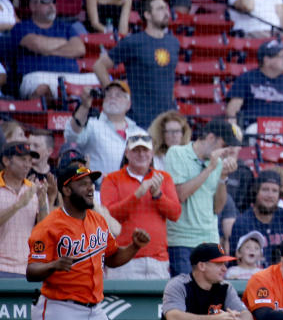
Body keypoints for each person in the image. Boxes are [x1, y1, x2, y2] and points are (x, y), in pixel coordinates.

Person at [27, 162, 150, 320]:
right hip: (59, 307)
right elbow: (31, 272)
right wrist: (53, 265)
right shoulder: (49, 225)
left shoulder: (97, 220)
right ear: (67, 189)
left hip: (95, 310)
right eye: (82, 183)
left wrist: (134, 247)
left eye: (91, 183)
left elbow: (113, 258)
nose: (90, 188)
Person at [165, 119, 241, 276]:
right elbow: (180, 195)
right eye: (224, 145)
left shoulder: (218, 164)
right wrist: (210, 168)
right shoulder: (177, 153)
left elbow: (218, 208)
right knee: (186, 294)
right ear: (211, 138)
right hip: (181, 240)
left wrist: (223, 177)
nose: (227, 151)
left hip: (209, 239)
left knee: (210, 296)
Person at [100, 134, 180, 280]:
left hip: (158, 260)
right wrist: (137, 195)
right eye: (136, 150)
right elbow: (109, 216)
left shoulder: (164, 177)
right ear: (127, 153)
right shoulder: (111, 179)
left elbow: (175, 213)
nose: (141, 154)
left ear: (152, 153)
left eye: (145, 150)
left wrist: (157, 195)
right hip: (123, 260)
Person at [93, 0, 178, 129]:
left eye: (166, 8)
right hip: (140, 120)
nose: (166, 12)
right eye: (160, 9)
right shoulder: (133, 42)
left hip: (167, 119)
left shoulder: (174, 43)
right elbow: (99, 66)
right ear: (147, 15)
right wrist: (113, 93)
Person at [226, 40, 283, 144]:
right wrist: (236, 130)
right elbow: (233, 108)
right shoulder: (247, 78)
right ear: (267, 60)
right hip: (258, 128)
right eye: (281, 56)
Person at [9, 0, 89, 99]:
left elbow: (80, 49)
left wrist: (48, 50)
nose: (52, 6)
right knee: (42, 89)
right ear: (33, 6)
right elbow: (37, 45)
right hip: (37, 76)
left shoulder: (66, 27)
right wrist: (65, 43)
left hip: (71, 77)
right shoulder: (21, 27)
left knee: (101, 82)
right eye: (46, 2)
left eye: (53, 2)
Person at [65, 81, 147, 177]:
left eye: (118, 95)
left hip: (131, 189)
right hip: (98, 188)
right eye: (108, 95)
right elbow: (72, 135)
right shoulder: (92, 125)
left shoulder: (139, 132)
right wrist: (84, 106)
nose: (112, 97)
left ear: (128, 104)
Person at [0, 142, 49, 277]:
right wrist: (19, 204)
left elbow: (43, 230)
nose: (27, 164)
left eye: (29, 160)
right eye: (22, 159)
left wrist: (43, 201)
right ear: (6, 160)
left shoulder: (34, 189)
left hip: (27, 269)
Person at [229, 171, 283, 261]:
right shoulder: (242, 223)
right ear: (256, 191)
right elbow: (235, 261)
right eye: (265, 190)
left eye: (274, 191)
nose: (270, 195)